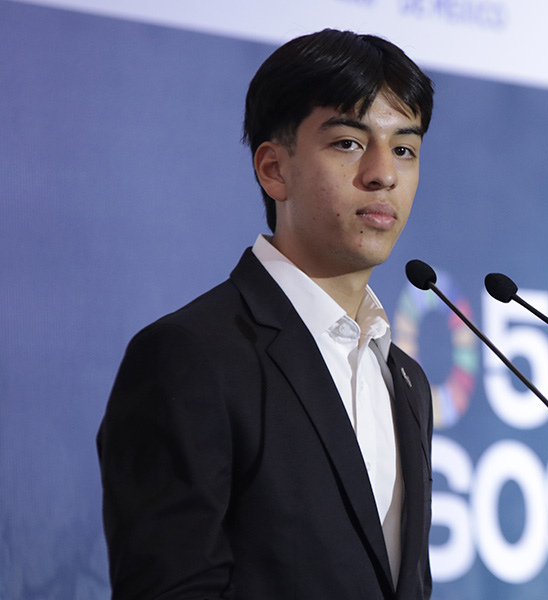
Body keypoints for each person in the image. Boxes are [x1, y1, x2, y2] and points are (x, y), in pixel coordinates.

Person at [97, 29, 435, 599]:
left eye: (404, 148)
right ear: (274, 169)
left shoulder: (406, 379)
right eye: (349, 143)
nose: (384, 173)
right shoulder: (192, 355)